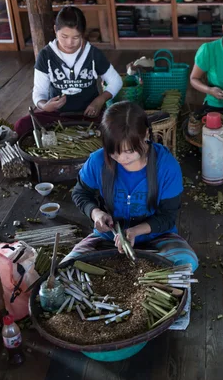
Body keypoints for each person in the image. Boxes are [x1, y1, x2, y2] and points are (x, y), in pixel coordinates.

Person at [65, 101, 198, 271]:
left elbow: (167, 216)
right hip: (109, 238)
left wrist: (135, 231)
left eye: (129, 151)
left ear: (146, 136)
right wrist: (95, 212)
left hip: (157, 238)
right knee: (69, 266)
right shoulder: (98, 161)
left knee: (186, 263)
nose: (121, 158)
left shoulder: (166, 167)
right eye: (114, 151)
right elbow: (80, 193)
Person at [14, 6, 122, 137]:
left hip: (88, 114)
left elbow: (115, 81)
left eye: (76, 37)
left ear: (83, 34)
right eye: (64, 36)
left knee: (117, 126)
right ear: (55, 30)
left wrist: (98, 101)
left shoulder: (92, 54)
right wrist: (44, 106)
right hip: (57, 115)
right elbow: (39, 92)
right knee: (21, 126)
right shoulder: (46, 55)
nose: (69, 43)